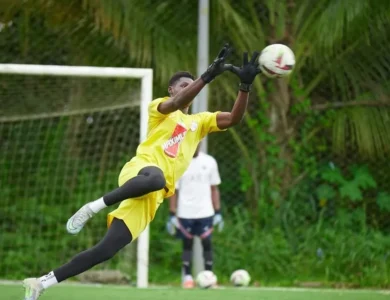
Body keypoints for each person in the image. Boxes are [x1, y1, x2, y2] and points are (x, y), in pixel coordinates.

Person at [22, 44, 261, 299]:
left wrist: (244, 87)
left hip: (152, 197)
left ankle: (41, 283)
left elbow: (234, 119)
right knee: (156, 178)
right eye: (183, 86)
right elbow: (178, 102)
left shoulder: (199, 122)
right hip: (140, 171)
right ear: (171, 90)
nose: (187, 90)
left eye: (190, 86)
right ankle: (94, 206)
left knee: (105, 250)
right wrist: (206, 77)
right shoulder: (159, 108)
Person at [166, 144, 223, 288]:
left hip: (205, 212)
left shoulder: (210, 162)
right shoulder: (178, 163)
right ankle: (187, 277)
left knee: (207, 244)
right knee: (187, 245)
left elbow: (214, 188)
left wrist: (218, 212)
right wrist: (172, 214)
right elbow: (173, 191)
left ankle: (209, 276)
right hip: (185, 212)